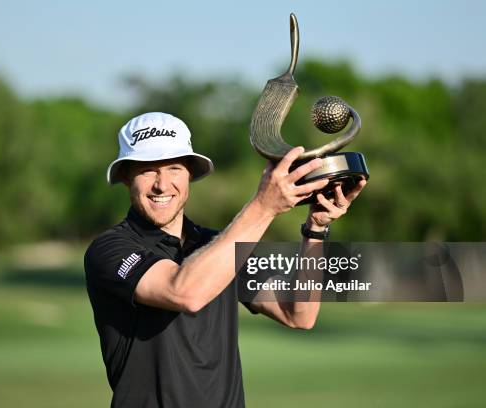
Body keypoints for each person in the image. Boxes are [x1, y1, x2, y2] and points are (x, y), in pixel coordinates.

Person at [84, 112, 367, 407]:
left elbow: (298, 314)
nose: (162, 184)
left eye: (174, 168)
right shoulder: (109, 249)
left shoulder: (218, 245)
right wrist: (264, 206)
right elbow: (184, 292)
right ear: (126, 178)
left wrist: (316, 229)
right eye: (147, 170)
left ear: (190, 173)